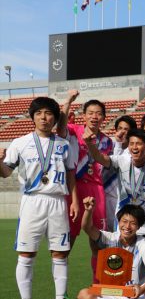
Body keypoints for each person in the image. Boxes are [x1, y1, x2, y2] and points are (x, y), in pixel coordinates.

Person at [0, 96, 79, 299]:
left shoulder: (64, 144)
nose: (44, 118)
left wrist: (74, 200)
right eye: (39, 114)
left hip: (57, 201)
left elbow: (72, 173)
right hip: (32, 202)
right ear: (32, 117)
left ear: (55, 117)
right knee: (26, 253)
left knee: (60, 253)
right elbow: (6, 172)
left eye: (48, 113)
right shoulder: (20, 142)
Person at [85, 128, 145, 277]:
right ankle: (125, 286)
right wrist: (90, 145)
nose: (134, 147)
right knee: (126, 256)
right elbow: (100, 158)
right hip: (127, 218)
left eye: (139, 144)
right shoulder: (122, 161)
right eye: (132, 143)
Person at [77, 199, 145, 299]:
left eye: (133, 223)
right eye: (124, 221)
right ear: (118, 222)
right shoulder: (109, 238)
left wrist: (141, 288)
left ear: (139, 226)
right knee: (83, 294)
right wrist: (88, 211)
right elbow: (87, 228)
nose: (127, 227)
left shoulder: (142, 244)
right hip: (111, 293)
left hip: (134, 295)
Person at [57, 93, 114, 274]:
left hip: (97, 190)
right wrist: (67, 103)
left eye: (98, 113)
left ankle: (99, 284)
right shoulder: (74, 131)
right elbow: (60, 129)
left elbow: (104, 163)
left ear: (104, 118)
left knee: (97, 240)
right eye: (90, 113)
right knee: (68, 241)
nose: (94, 117)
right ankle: (61, 293)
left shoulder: (107, 141)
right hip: (74, 188)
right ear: (84, 115)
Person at [105, 115, 138, 229]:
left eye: (126, 129)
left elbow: (116, 163)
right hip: (107, 196)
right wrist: (117, 143)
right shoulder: (108, 146)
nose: (122, 132)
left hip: (125, 199)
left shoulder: (134, 152)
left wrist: (118, 144)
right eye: (120, 128)